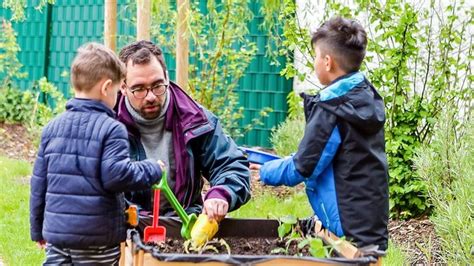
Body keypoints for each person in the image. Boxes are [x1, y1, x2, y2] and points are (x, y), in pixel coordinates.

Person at [256, 17, 389, 250]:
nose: (315, 62)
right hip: (369, 216)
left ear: (327, 62)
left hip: (348, 221)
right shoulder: (364, 96)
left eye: (316, 56)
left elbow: (303, 166)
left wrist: (265, 172)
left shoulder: (331, 107)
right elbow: (327, 154)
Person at [30, 42, 164, 265]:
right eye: (117, 90)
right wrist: (152, 169)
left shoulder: (51, 128)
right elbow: (116, 175)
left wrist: (37, 230)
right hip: (97, 240)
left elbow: (38, 185)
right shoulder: (112, 129)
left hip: (58, 237)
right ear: (106, 87)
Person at [116, 40, 251, 222]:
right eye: (139, 89)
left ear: (167, 77)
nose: (150, 96)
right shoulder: (108, 124)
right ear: (123, 87)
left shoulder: (196, 120)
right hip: (127, 224)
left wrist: (221, 193)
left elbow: (231, 164)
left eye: (157, 85)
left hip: (185, 222)